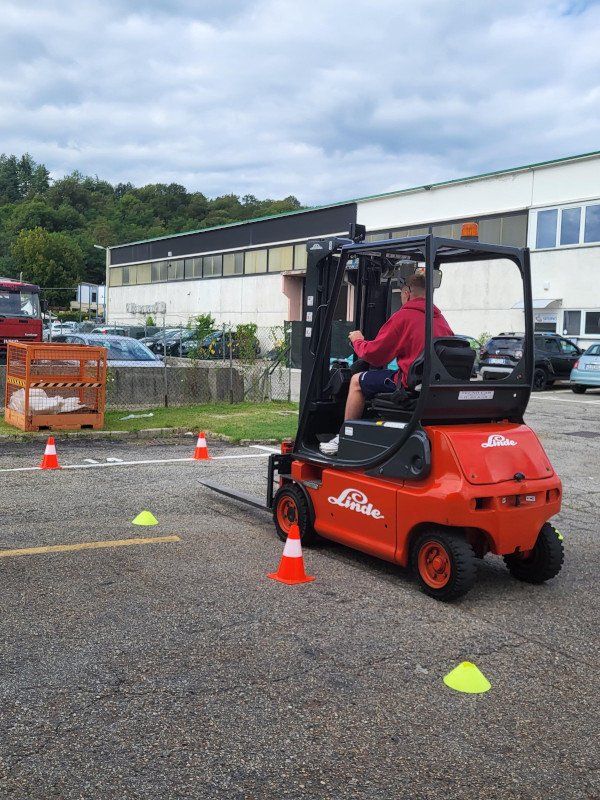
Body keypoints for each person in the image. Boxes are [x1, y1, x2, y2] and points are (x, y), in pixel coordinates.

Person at [319, 273, 453, 455]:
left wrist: (358, 341)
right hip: (435, 386)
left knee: (357, 381)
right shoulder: (440, 320)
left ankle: (345, 437)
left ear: (406, 294)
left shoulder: (403, 317)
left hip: (409, 385)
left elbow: (375, 356)